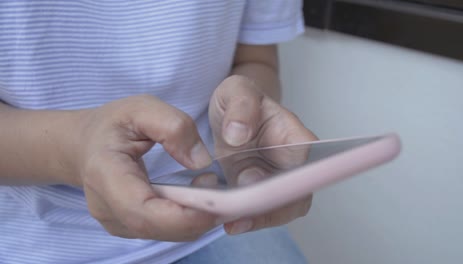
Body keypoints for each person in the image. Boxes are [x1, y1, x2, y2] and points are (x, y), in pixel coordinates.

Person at [0, 1, 316, 263]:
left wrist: (246, 113)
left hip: (217, 212)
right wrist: (75, 147)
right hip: (32, 240)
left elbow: (255, 58)